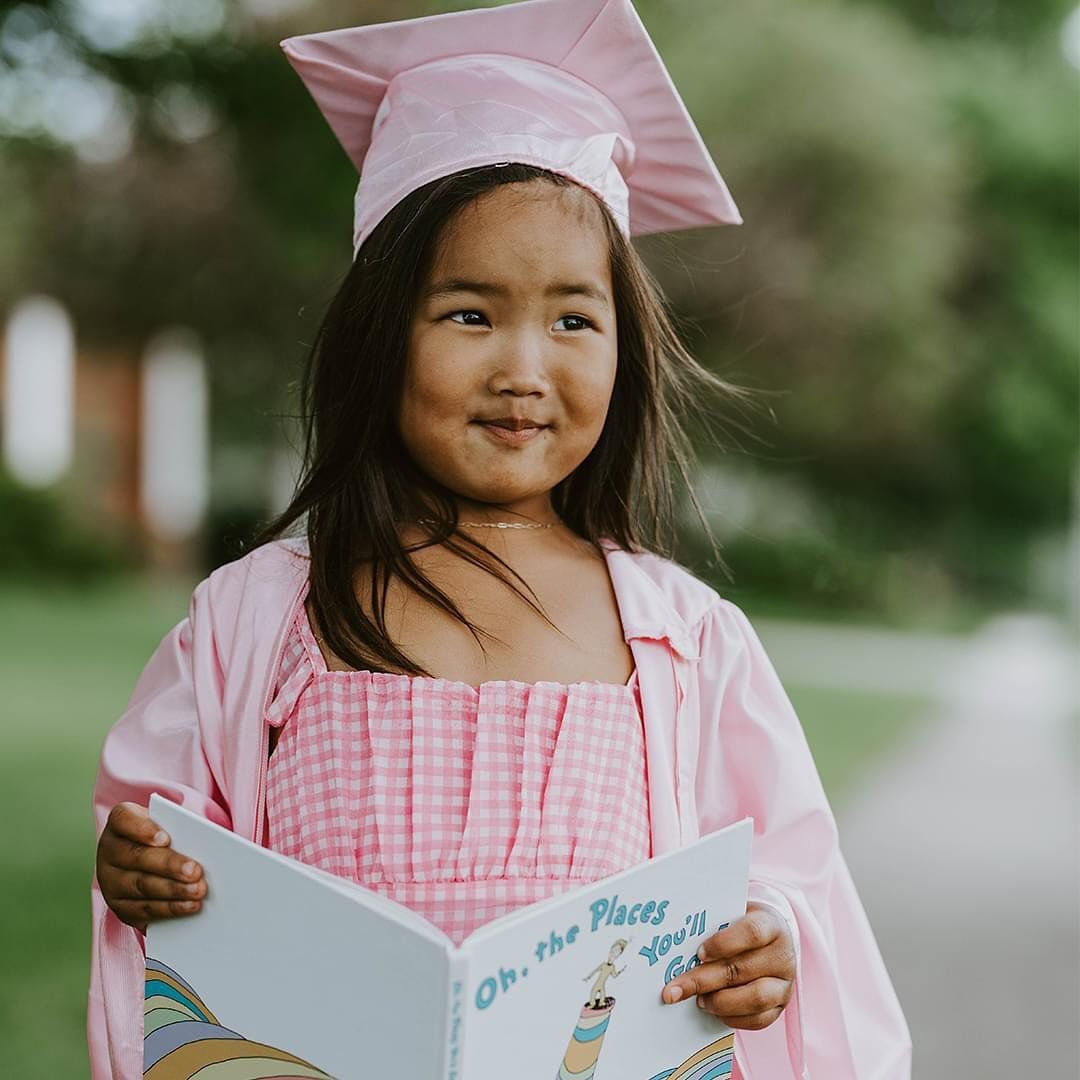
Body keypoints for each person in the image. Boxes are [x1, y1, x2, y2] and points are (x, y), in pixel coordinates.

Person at [88, 1, 912, 1077]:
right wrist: (139, 867)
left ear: (627, 351)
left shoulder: (686, 643)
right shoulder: (258, 619)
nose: (525, 367)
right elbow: (160, 829)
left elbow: (787, 882)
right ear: (381, 335)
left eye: (574, 319)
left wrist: (764, 944)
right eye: (470, 314)